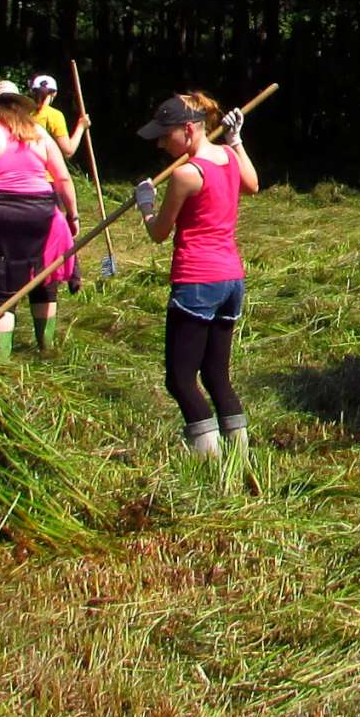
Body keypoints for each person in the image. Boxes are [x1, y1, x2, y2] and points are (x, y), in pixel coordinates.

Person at [132, 91, 258, 463]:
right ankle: (240, 459)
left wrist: (146, 206)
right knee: (217, 376)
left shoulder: (187, 173)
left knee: (181, 379)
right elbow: (252, 183)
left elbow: (158, 233)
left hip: (197, 281)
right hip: (231, 280)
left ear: (188, 130)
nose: (159, 143)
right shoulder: (227, 159)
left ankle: (210, 463)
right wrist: (236, 141)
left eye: (164, 134)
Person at [0, 81, 80, 356]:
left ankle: (2, 360)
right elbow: (62, 177)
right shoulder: (38, 133)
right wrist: (73, 214)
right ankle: (46, 349)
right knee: (43, 276)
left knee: (3, 283)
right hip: (41, 210)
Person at [29, 73, 88, 158]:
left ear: (33, 92)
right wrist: (81, 126)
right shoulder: (55, 115)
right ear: (54, 93)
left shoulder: (26, 114)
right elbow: (68, 152)